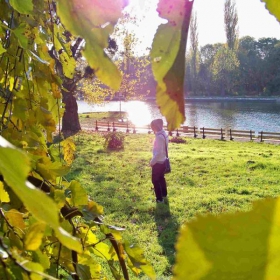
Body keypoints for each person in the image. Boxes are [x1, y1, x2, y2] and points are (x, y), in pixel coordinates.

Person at [149, 119, 169, 203]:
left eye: (152, 127)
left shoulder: (159, 137)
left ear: (155, 127)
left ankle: (159, 199)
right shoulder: (164, 134)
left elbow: (158, 152)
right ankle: (164, 194)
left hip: (158, 162)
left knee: (155, 180)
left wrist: (152, 162)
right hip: (163, 160)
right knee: (161, 178)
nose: (152, 129)